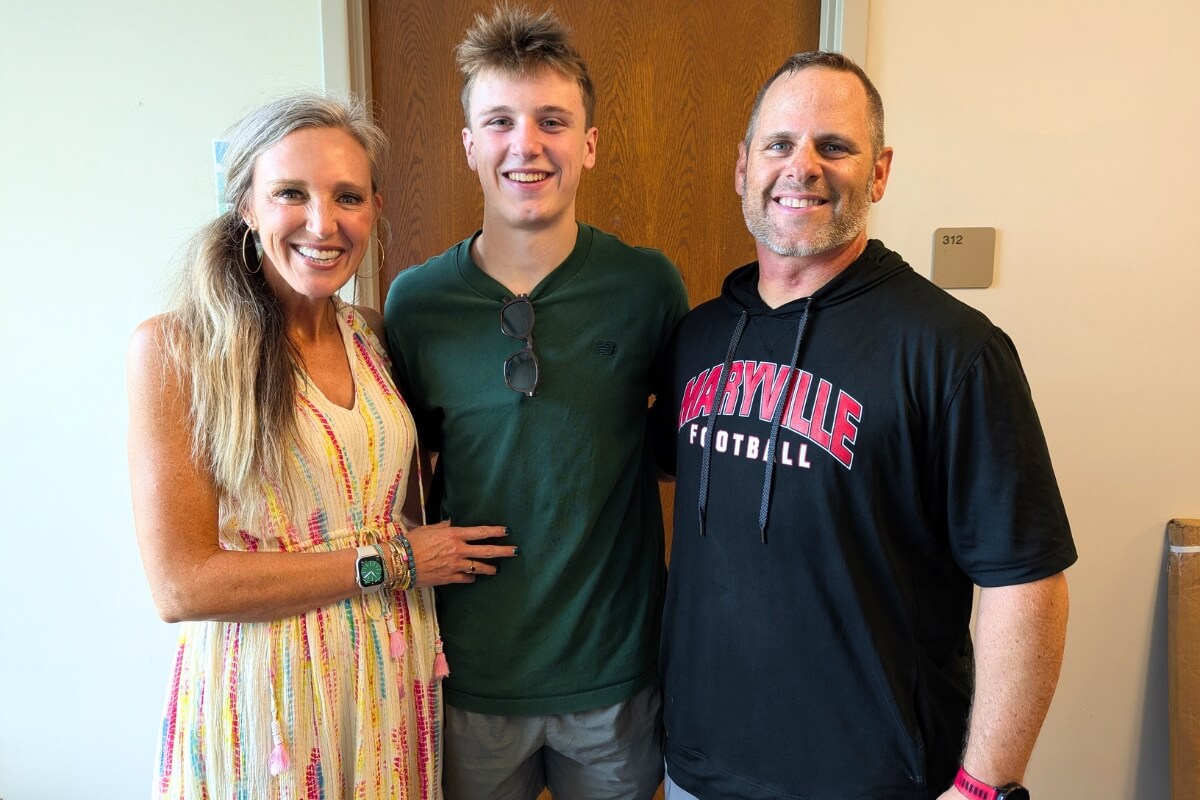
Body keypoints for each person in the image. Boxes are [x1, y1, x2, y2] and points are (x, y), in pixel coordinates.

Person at [656, 52, 1077, 800]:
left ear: (878, 173)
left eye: (834, 146)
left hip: (876, 780)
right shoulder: (699, 337)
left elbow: (1026, 582)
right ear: (743, 167)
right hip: (698, 769)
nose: (802, 166)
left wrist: (985, 785)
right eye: (779, 144)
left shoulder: (952, 350)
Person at [127, 92, 516, 800]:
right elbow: (180, 585)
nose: (323, 222)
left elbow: (396, 501)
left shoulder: (373, 333)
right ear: (246, 205)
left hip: (388, 677)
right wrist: (393, 562)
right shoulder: (179, 349)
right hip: (268, 698)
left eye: (348, 197)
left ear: (375, 209)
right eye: (291, 194)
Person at [383, 6, 689, 799]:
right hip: (469, 673)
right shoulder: (415, 303)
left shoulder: (646, 286)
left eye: (553, 121)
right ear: (469, 145)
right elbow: (398, 476)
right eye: (500, 121)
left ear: (589, 144)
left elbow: (676, 450)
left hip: (614, 675)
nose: (526, 144)